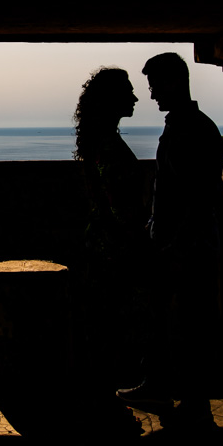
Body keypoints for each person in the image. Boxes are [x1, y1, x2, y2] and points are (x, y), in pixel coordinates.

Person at [116, 51, 223, 431]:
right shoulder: (188, 126)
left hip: (187, 249)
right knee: (169, 322)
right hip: (176, 245)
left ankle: (194, 404)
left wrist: (176, 248)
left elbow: (199, 199)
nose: (151, 96)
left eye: (154, 86)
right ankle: (161, 388)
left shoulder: (193, 130)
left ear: (174, 81)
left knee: (192, 326)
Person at [73, 68, 150, 393]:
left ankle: (103, 404)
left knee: (104, 330)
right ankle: (105, 407)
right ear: (112, 100)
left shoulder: (101, 141)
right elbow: (120, 207)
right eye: (128, 92)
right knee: (112, 331)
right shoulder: (108, 147)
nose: (135, 98)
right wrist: (140, 240)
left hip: (103, 247)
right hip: (114, 253)